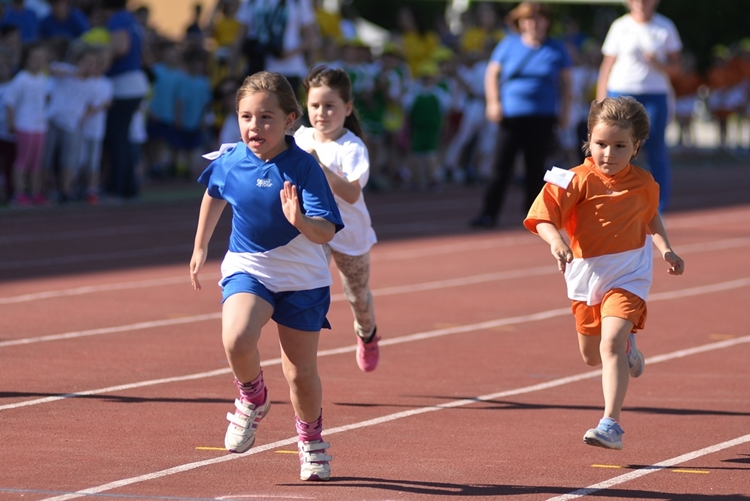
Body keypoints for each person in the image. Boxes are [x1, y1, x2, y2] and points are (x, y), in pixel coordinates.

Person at [189, 71, 343, 481]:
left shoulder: (303, 167)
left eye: (266, 118)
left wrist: (301, 220)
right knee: (237, 337)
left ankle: (311, 441)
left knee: (300, 373)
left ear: (291, 119)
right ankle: (252, 397)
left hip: (302, 277)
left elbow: (326, 230)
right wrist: (201, 245)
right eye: (246, 117)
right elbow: (213, 192)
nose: (254, 127)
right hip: (249, 267)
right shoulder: (231, 159)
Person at [523, 96, 685, 450]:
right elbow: (542, 216)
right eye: (600, 144)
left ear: (637, 146)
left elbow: (651, 215)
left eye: (619, 146)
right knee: (592, 355)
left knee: (610, 343)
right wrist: (556, 241)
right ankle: (630, 350)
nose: (608, 153)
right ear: (588, 141)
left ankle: (611, 423)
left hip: (629, 276)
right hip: (586, 277)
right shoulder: (572, 179)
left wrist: (666, 249)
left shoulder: (643, 182)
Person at [294, 65, 380, 372]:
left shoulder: (352, 148)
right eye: (315, 105)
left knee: (357, 296)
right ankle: (303, 345)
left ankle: (367, 334)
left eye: (330, 106)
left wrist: (319, 167)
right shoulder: (301, 138)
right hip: (316, 230)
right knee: (310, 287)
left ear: (347, 108)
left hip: (350, 235)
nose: (321, 113)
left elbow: (352, 193)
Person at [470, 2, 572, 228]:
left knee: (536, 167)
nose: (533, 24)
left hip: (543, 116)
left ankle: (534, 215)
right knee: (500, 166)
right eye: (528, 19)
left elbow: (566, 83)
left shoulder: (556, 48)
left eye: (538, 18)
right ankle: (489, 212)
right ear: (520, 23)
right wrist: (493, 103)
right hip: (511, 115)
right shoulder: (508, 45)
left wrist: (565, 112)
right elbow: (492, 74)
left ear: (546, 22)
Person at [596, 0, 682, 211]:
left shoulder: (665, 26)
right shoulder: (619, 26)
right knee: (616, 146)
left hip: (654, 94)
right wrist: (600, 100)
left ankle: (657, 207)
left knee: (655, 147)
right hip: (622, 92)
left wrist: (657, 63)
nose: (641, 3)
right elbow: (606, 66)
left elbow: (677, 69)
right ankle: (614, 200)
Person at [101, 0, 149, 200]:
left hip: (123, 84)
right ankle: (129, 186)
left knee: (117, 138)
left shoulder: (117, 19)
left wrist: (102, 62)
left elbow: (120, 47)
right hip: (135, 81)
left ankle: (117, 186)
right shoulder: (131, 19)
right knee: (124, 138)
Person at [2, 41, 48, 205]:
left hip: (39, 126)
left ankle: (35, 192)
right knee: (22, 160)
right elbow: (9, 102)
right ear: (26, 60)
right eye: (35, 58)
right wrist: (12, 123)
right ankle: (19, 192)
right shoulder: (21, 79)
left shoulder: (42, 77)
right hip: (25, 125)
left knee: (36, 161)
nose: (39, 61)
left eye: (41, 58)